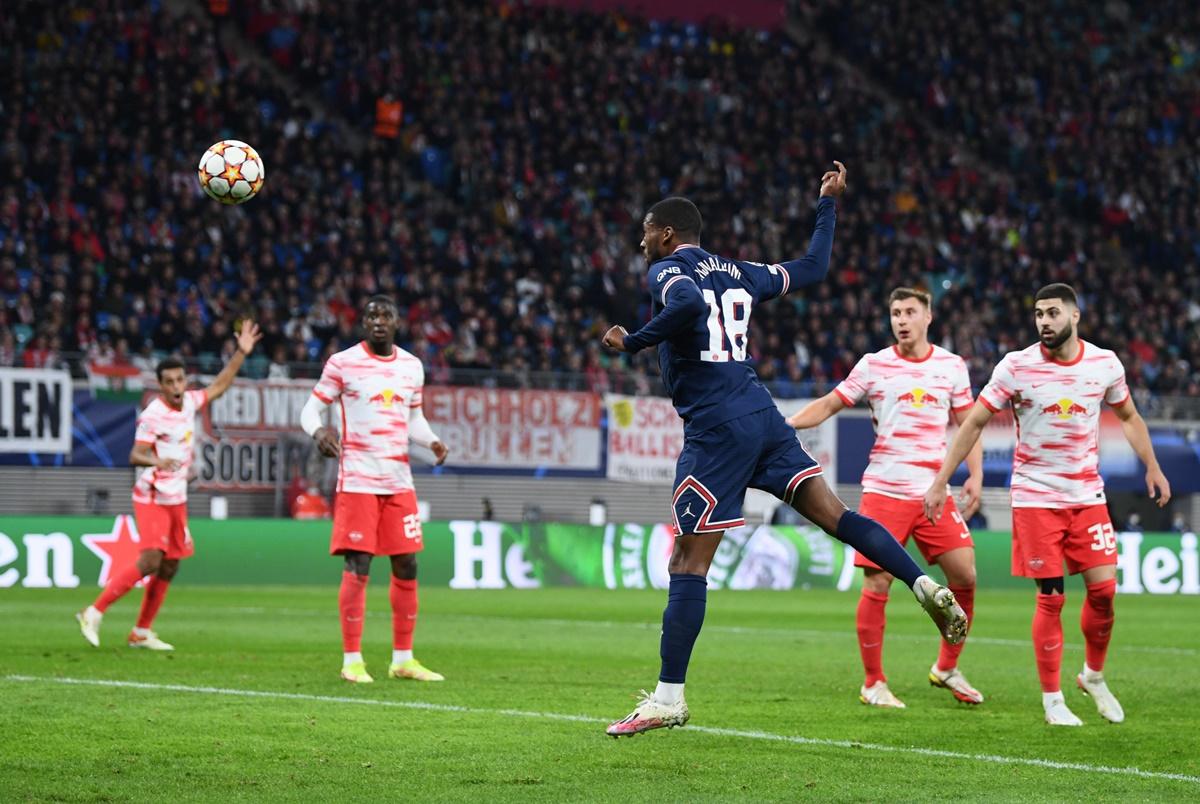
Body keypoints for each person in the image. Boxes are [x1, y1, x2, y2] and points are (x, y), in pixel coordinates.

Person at [601, 162, 967, 737]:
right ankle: (921, 582)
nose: (641, 240)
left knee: (686, 562)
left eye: (647, 230)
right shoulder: (742, 270)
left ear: (667, 233)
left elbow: (689, 308)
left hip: (716, 431)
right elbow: (815, 266)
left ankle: (669, 698)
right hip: (762, 416)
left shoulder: (669, 270)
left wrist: (633, 341)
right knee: (839, 517)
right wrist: (828, 204)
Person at [924, 283, 1171, 726]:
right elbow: (974, 421)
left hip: (1087, 496)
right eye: (1038, 314)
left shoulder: (1104, 364)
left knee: (1104, 593)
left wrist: (1152, 466)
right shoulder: (1016, 367)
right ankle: (1053, 698)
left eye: (1053, 313)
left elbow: (1130, 416)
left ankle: (1093, 676)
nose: (1044, 322)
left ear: (1075, 316)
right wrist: (943, 480)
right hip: (1036, 498)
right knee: (1052, 599)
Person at [787, 287, 985, 707]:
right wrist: (786, 425)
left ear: (928, 316)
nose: (901, 319)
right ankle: (873, 682)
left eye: (910, 311)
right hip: (884, 489)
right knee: (878, 581)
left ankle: (947, 666)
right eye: (895, 312)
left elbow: (970, 425)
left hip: (935, 491)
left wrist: (977, 475)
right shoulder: (874, 365)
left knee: (965, 574)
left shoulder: (952, 366)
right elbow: (830, 403)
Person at [76, 322, 263, 650]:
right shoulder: (154, 414)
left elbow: (220, 384)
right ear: (160, 386)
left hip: (177, 496)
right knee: (150, 561)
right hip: (152, 495)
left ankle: (141, 632)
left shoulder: (190, 401)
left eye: (180, 379)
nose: (176, 386)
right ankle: (93, 611)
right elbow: (136, 453)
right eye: (169, 382)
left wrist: (241, 353)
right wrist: (157, 461)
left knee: (172, 563)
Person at [299, 295, 448, 684]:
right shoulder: (343, 363)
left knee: (407, 564)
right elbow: (309, 410)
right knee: (359, 565)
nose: (379, 321)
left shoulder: (412, 367)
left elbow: (414, 418)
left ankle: (403, 659)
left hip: (399, 482)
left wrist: (431, 441)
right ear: (363, 323)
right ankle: (352, 660)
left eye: (385, 315)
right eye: (371, 316)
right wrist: (318, 433)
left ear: (397, 322)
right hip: (359, 480)